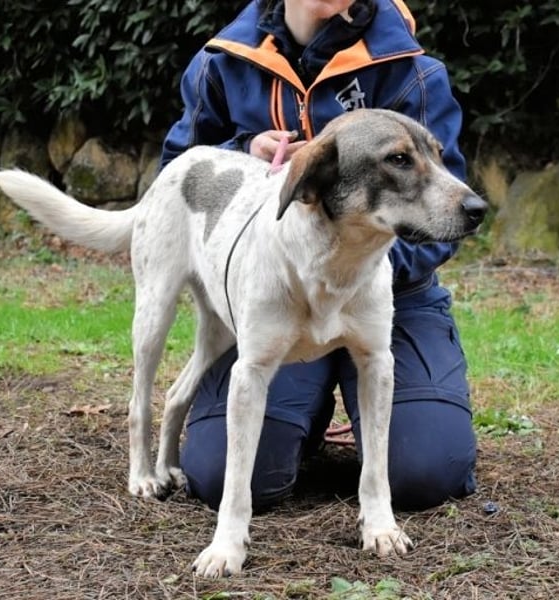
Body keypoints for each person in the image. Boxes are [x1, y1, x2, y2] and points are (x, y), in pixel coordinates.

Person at [159, 0, 478, 513]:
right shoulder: (220, 63)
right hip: (275, 292)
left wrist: (354, 275)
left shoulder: (413, 72)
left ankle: (353, 410)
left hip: (390, 296)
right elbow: (180, 175)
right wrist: (242, 150)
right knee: (222, 476)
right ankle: (300, 415)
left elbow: (445, 217)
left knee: (425, 472)